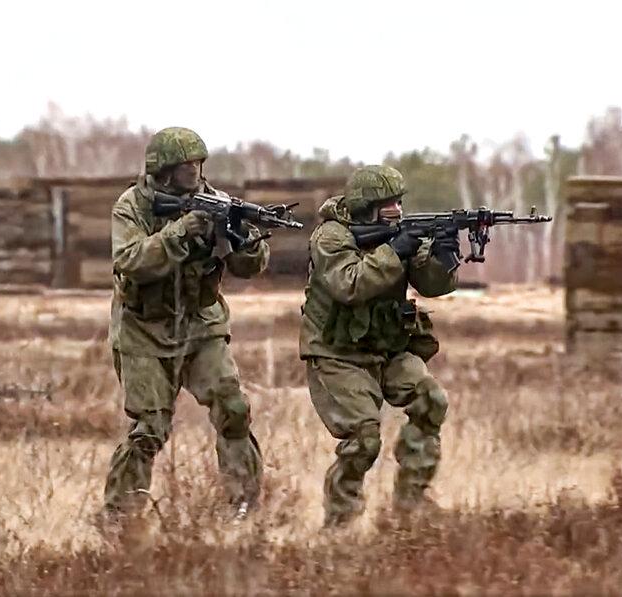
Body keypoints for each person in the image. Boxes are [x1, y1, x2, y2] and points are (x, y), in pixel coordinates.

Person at [103, 127, 267, 519]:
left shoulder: (216, 202)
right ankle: (121, 516)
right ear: (163, 170)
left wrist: (243, 239)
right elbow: (131, 261)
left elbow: (250, 268)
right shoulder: (133, 206)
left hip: (201, 324)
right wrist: (184, 229)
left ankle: (243, 503)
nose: (194, 171)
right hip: (144, 329)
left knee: (233, 408)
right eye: (185, 165)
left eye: (198, 163)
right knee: (149, 429)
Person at [299, 165, 460, 526]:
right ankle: (342, 522)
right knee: (364, 437)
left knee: (430, 399)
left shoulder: (397, 235)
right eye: (388, 204)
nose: (397, 211)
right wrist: (394, 250)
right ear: (366, 208)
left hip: (388, 348)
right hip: (337, 353)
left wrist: (444, 259)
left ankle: (411, 503)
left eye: (399, 202)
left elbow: (431, 284)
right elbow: (349, 283)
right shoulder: (330, 237)